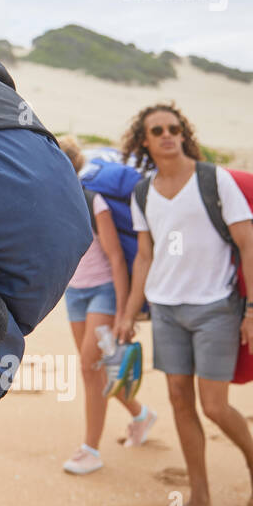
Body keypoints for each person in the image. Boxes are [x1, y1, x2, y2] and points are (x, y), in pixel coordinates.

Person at [116, 104, 253, 506]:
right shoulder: (143, 191)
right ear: (145, 141)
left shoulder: (214, 180)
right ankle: (200, 497)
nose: (168, 135)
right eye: (158, 130)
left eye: (174, 128)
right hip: (166, 311)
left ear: (184, 134)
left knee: (214, 406)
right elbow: (143, 258)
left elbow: (249, 246)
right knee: (178, 401)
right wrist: (129, 313)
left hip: (214, 308)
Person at [57, 136, 157, 475]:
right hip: (75, 292)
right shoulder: (52, 200)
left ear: (70, 166)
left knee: (89, 366)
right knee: (96, 369)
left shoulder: (93, 201)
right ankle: (141, 415)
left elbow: (116, 258)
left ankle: (90, 450)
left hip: (104, 291)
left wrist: (123, 312)